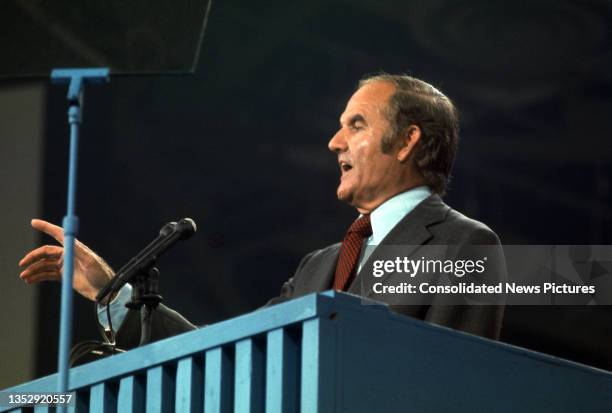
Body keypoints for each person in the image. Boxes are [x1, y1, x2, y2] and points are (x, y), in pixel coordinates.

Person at [18, 74, 505, 349]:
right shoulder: (319, 266)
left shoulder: (464, 244)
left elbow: (455, 385)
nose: (335, 142)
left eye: (356, 124)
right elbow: (225, 351)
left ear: (407, 141)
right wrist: (112, 291)